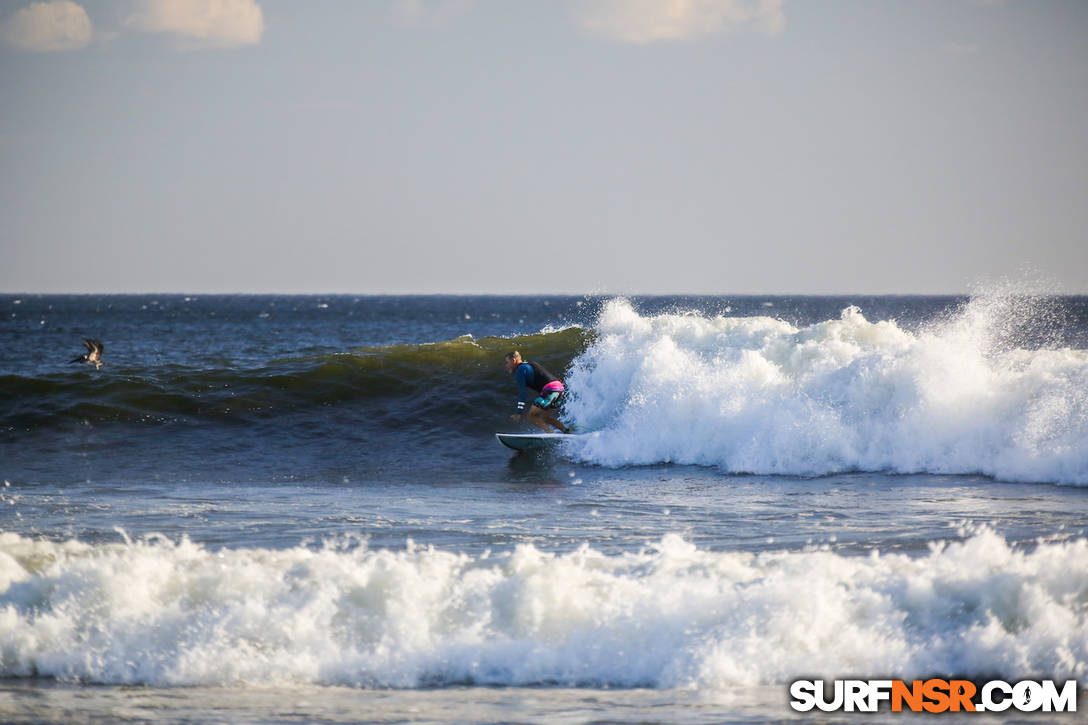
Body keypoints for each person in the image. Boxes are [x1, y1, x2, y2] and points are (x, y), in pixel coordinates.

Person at [504, 351, 571, 433]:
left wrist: (518, 412)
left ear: (514, 360)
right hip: (559, 388)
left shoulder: (520, 370)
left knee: (531, 416)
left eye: (507, 362)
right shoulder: (529, 364)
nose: (506, 365)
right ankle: (567, 432)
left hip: (550, 390)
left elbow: (522, 393)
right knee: (544, 418)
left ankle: (550, 434)